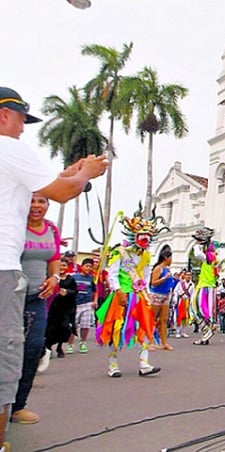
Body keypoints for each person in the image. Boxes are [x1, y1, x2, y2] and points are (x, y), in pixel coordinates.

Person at [0, 86, 107, 451]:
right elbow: (59, 192)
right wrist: (87, 173)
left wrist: (74, 172)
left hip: (25, 285)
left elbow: (47, 184)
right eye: (19, 120)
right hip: (3, 272)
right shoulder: (7, 146)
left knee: (26, 348)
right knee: (5, 358)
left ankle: (18, 406)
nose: (22, 129)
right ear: (3, 115)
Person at [95, 208, 165, 378]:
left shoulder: (147, 256)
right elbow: (112, 273)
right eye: (142, 235)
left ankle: (144, 364)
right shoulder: (120, 252)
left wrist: (147, 295)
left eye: (148, 235)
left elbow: (146, 277)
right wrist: (118, 291)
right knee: (116, 329)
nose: (145, 238)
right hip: (122, 295)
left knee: (145, 326)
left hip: (139, 296)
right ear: (134, 235)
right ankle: (113, 365)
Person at [12, 193, 61, 424]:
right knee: (7, 350)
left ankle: (17, 406)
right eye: (31, 200)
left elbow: (54, 257)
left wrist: (55, 278)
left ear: (48, 205)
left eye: (42, 201)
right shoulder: (13, 224)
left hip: (36, 299)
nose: (36, 205)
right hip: (9, 298)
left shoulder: (51, 229)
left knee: (33, 349)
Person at [190, 227, 219, 345]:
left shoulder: (210, 255)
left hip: (206, 286)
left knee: (196, 309)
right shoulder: (209, 254)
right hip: (204, 285)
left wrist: (196, 245)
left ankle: (207, 330)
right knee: (196, 309)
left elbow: (197, 254)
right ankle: (205, 334)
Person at [43, 263, 77, 360]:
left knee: (64, 327)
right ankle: (48, 348)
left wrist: (67, 292)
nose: (62, 268)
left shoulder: (70, 279)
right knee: (50, 329)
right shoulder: (51, 278)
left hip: (65, 308)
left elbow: (75, 291)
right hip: (52, 308)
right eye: (60, 265)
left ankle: (59, 347)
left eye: (64, 265)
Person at [68, 258, 96, 355]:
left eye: (90, 267)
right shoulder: (73, 277)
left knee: (85, 325)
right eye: (86, 266)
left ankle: (83, 342)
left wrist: (95, 301)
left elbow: (95, 291)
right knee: (72, 325)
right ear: (82, 266)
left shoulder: (92, 278)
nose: (88, 268)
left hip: (87, 304)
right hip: (74, 304)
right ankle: (70, 344)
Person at [149, 246, 176, 350]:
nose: (171, 260)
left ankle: (164, 342)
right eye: (170, 258)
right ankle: (150, 341)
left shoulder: (167, 269)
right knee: (152, 319)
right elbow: (153, 283)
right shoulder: (158, 268)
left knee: (164, 320)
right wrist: (164, 278)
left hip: (166, 296)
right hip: (156, 295)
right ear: (165, 257)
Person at [172, 270, 193, 338]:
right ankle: (178, 331)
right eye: (187, 275)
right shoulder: (180, 283)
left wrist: (191, 302)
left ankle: (183, 331)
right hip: (181, 301)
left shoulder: (192, 284)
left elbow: (193, 294)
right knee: (179, 317)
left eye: (190, 275)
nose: (188, 276)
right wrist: (175, 299)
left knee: (186, 317)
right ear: (185, 276)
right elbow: (175, 291)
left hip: (188, 301)